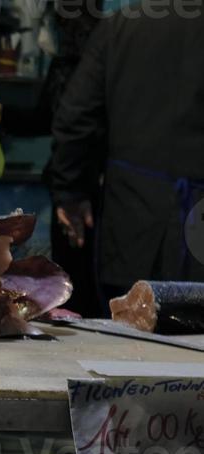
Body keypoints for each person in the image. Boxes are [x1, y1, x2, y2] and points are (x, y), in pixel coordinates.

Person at [48, 0, 204, 306]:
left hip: (133, 228)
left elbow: (76, 119)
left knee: (129, 339)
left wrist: (71, 193)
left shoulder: (120, 26)